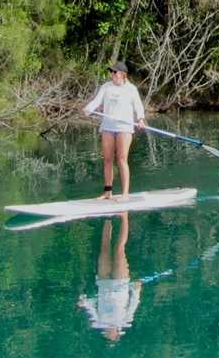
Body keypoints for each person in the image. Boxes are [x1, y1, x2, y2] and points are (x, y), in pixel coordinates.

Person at [82, 61, 146, 200]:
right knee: (107, 160)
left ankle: (125, 194)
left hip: (124, 128)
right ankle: (107, 192)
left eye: (115, 72)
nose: (112, 74)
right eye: (111, 72)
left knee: (122, 159)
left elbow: (138, 106)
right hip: (108, 127)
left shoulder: (131, 89)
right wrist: (89, 108)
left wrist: (140, 119)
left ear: (123, 74)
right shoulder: (106, 87)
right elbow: (96, 101)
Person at [78, 213, 142, 342]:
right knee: (119, 248)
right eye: (111, 337)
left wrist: (83, 302)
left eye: (107, 336)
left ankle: (107, 218)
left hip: (104, 283)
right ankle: (124, 216)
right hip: (120, 283)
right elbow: (133, 305)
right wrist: (136, 291)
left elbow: (91, 308)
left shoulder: (99, 323)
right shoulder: (125, 322)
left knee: (104, 248)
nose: (107, 335)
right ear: (117, 335)